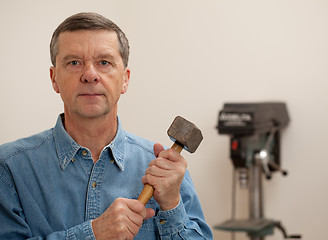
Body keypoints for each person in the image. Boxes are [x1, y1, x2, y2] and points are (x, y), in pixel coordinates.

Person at [0, 12, 213, 240]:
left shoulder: (167, 170)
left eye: (104, 62)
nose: (90, 75)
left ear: (125, 79)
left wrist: (171, 204)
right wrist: (92, 234)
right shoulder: (9, 168)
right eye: (74, 62)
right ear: (54, 79)